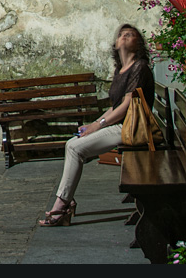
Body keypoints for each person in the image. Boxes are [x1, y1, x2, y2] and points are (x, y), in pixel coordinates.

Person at [38, 23, 155, 226]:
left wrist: (98, 125)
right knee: (72, 145)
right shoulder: (120, 70)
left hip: (132, 128)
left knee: (75, 148)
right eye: (122, 35)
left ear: (139, 44)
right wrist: (93, 124)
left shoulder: (140, 67)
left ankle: (62, 206)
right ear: (116, 44)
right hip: (122, 126)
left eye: (131, 35)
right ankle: (67, 199)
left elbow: (127, 105)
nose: (125, 37)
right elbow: (115, 105)